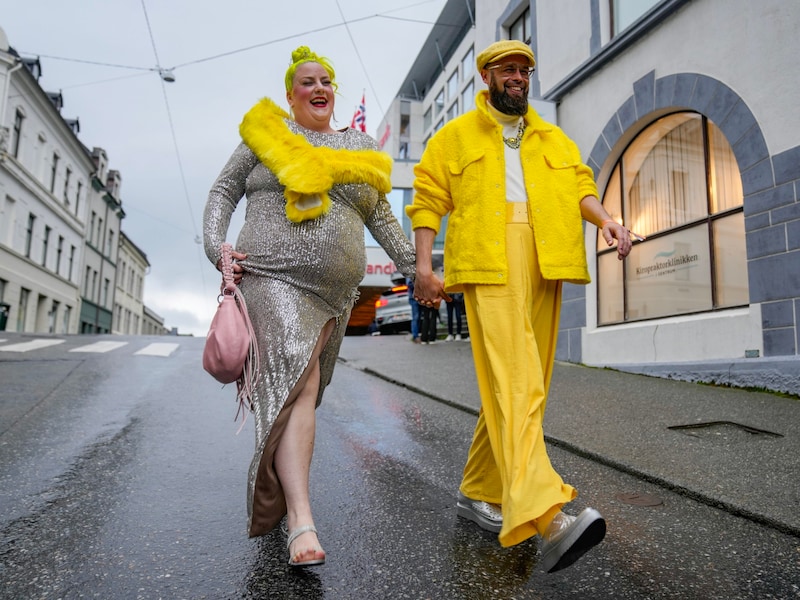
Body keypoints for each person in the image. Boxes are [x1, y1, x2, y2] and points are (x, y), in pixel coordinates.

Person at [407, 40, 633, 573]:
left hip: (546, 256)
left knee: (524, 382)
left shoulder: (553, 137)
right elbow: (428, 196)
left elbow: (580, 184)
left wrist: (607, 220)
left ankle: (478, 488)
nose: (518, 78)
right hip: (488, 256)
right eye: (508, 70)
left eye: (524, 71)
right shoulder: (455, 136)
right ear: (487, 76)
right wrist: (422, 265)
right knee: (517, 379)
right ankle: (546, 513)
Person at [203, 46, 415, 567]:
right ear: (291, 94)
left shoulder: (360, 149)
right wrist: (218, 248)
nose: (318, 88)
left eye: (326, 81)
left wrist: (422, 269)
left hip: (335, 293)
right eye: (306, 82)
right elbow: (223, 192)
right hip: (271, 277)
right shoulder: (264, 135)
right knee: (298, 382)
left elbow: (384, 221)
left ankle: (282, 498)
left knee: (305, 391)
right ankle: (301, 519)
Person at [407, 277, 421, 343]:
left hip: (420, 297)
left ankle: (417, 335)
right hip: (414, 298)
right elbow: (410, 284)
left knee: (418, 317)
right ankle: (415, 336)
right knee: (416, 317)